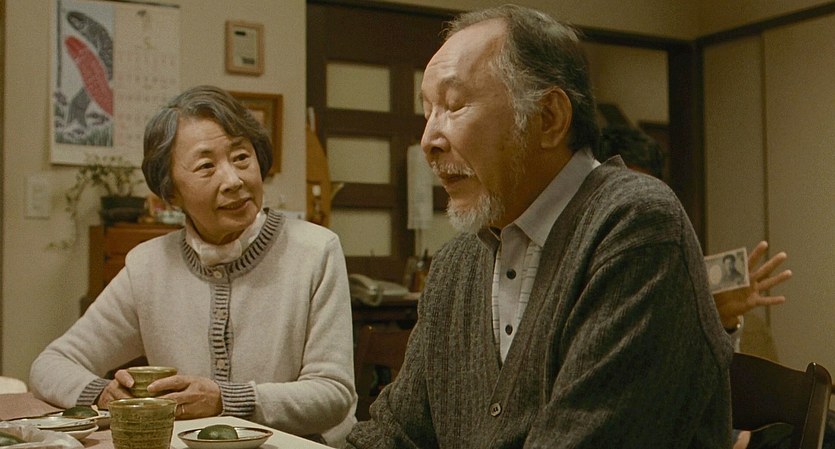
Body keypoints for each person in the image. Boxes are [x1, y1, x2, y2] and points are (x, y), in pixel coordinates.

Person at [346, 5, 732, 448]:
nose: (428, 141)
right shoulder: (457, 262)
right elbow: (396, 431)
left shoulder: (635, 226)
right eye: (427, 112)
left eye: (453, 106)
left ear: (548, 118)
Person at [30, 85, 357, 447]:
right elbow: (51, 364)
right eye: (206, 166)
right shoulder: (149, 266)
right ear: (171, 192)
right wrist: (102, 393)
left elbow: (333, 393)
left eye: (241, 157)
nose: (233, 180)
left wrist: (225, 399)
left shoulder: (315, 251)